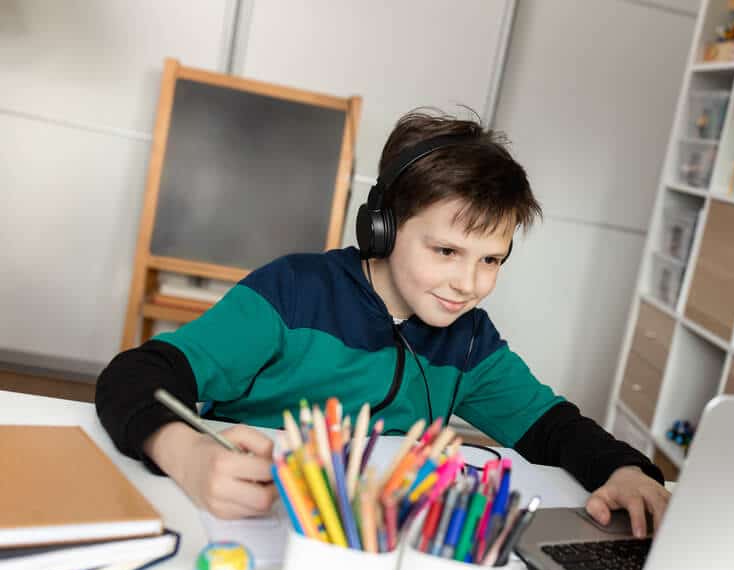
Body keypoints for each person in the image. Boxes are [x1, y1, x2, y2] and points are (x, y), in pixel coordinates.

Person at [96, 109, 668, 537]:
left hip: (367, 547)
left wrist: (624, 468)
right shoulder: (293, 293)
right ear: (382, 229)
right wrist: (184, 451)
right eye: (446, 251)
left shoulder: (468, 340)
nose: (468, 284)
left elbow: (552, 427)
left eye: (490, 260)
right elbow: (135, 374)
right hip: (235, 526)